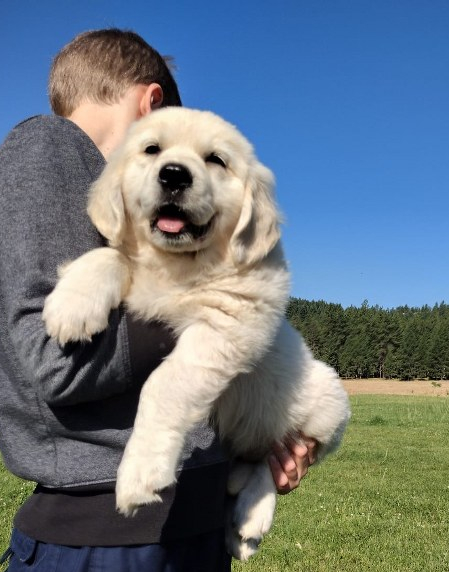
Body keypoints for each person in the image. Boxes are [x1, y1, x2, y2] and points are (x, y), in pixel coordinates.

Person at [0, 29, 316, 572]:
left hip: (188, 518)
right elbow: (55, 362)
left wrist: (262, 446)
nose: (176, 168)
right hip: (107, 534)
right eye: (155, 147)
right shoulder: (49, 146)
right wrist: (224, 307)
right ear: (153, 103)